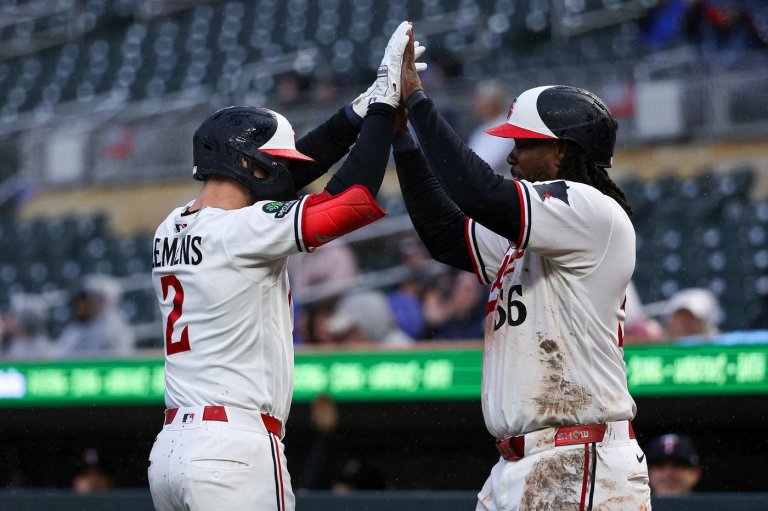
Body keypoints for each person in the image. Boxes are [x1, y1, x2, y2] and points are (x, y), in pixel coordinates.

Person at [147, 21, 424, 511]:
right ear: (248, 164)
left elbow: (285, 174)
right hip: (235, 448)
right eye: (268, 162)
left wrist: (362, 107)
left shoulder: (171, 225)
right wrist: (383, 107)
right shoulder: (241, 229)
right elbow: (353, 199)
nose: (281, 171)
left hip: (171, 451)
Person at [393, 30, 651, 510]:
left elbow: (477, 193)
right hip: (520, 465)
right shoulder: (532, 233)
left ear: (561, 152)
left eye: (523, 144)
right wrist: (403, 138)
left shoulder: (590, 209)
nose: (511, 156)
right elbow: (444, 234)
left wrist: (419, 101)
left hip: (578, 456)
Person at [55, 274, 135, 358]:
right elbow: (59, 356)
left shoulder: (116, 327)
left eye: (97, 299)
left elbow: (123, 357)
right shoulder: (76, 328)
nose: (84, 305)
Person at [466, 80, 515, 174]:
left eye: (480, 100)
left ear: (493, 103)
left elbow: (489, 162)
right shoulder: (480, 130)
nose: (475, 104)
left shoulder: (507, 126)